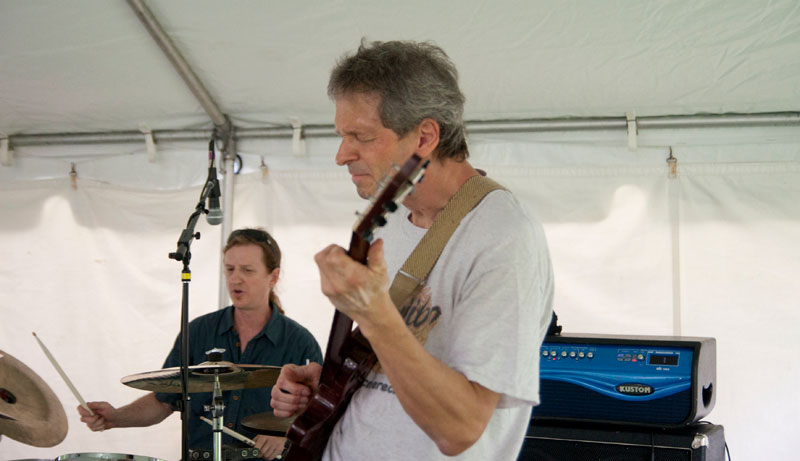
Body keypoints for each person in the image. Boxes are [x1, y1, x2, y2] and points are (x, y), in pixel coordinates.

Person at [270, 40, 554, 460]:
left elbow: (461, 429)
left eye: (361, 137)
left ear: (424, 136)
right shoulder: (392, 219)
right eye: (341, 135)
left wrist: (374, 313)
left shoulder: (504, 234)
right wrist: (331, 382)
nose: (341, 155)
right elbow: (394, 365)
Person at [79, 227, 323, 460]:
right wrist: (115, 417)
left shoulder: (300, 343)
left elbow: (322, 420)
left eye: (247, 270)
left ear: (273, 276)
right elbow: (163, 400)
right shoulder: (198, 332)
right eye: (229, 269)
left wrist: (285, 437)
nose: (236, 279)